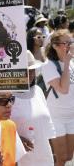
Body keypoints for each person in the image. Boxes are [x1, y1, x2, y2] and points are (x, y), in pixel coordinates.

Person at [11, 50, 55, 166]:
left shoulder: (38, 91)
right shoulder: (7, 96)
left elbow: (47, 124)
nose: (30, 74)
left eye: (32, 70)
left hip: (43, 155)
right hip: (19, 157)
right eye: (26, 71)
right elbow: (0, 126)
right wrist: (16, 139)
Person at [42, 29, 74, 166]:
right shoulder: (48, 65)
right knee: (60, 158)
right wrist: (66, 63)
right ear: (55, 46)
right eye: (66, 43)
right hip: (56, 118)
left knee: (69, 156)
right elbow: (63, 89)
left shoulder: (72, 63)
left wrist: (68, 63)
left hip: (71, 117)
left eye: (71, 42)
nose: (69, 46)